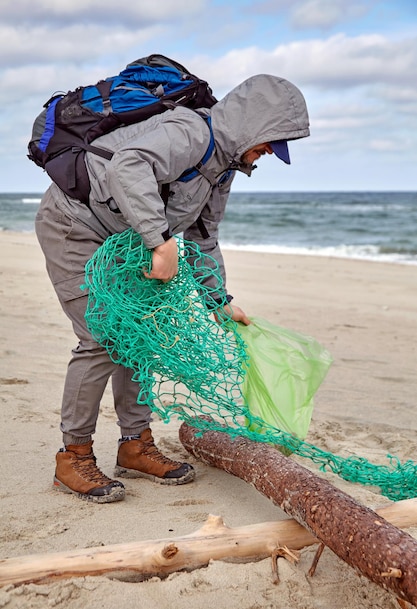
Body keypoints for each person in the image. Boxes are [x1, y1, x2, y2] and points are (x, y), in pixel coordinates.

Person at [35, 72, 310, 503]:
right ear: (251, 127)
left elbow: (204, 236)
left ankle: (134, 445)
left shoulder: (222, 167)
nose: (266, 155)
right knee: (102, 336)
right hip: (75, 226)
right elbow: (129, 164)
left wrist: (220, 301)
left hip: (127, 241)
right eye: (268, 144)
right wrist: (161, 243)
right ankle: (73, 455)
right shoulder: (188, 132)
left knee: (140, 337)